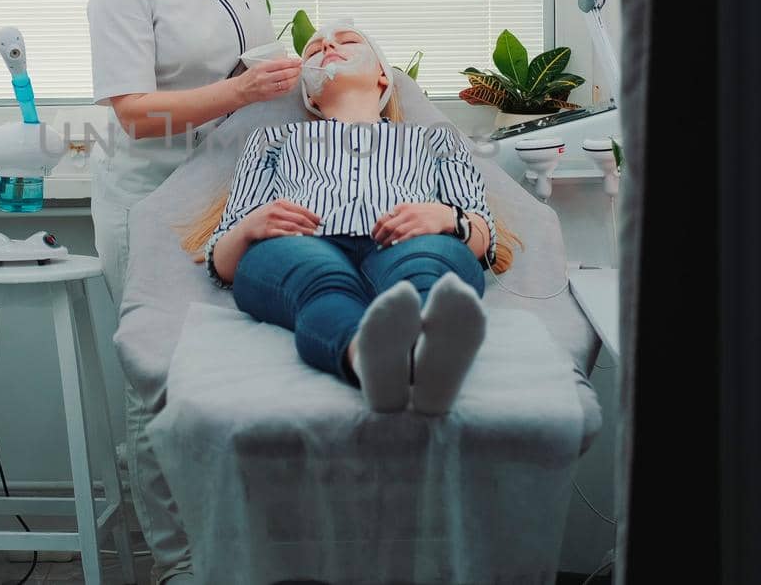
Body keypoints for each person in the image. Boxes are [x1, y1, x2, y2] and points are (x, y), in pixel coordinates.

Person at [86, 0, 297, 584]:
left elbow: (252, 49)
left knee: (226, 375)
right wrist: (240, 95)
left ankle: (232, 550)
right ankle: (175, 566)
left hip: (224, 191)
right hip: (149, 201)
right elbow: (134, 115)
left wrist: (287, 71)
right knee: (159, 382)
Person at [181, 24, 519, 415]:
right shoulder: (272, 140)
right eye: (314, 51)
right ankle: (369, 357)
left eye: (347, 41)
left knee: (429, 269)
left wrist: (448, 218)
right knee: (319, 284)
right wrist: (249, 227)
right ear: (308, 91)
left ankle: (428, 353)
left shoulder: (436, 139)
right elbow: (222, 265)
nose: (327, 44)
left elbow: (484, 241)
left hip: (408, 242)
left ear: (382, 75)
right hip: (301, 244)